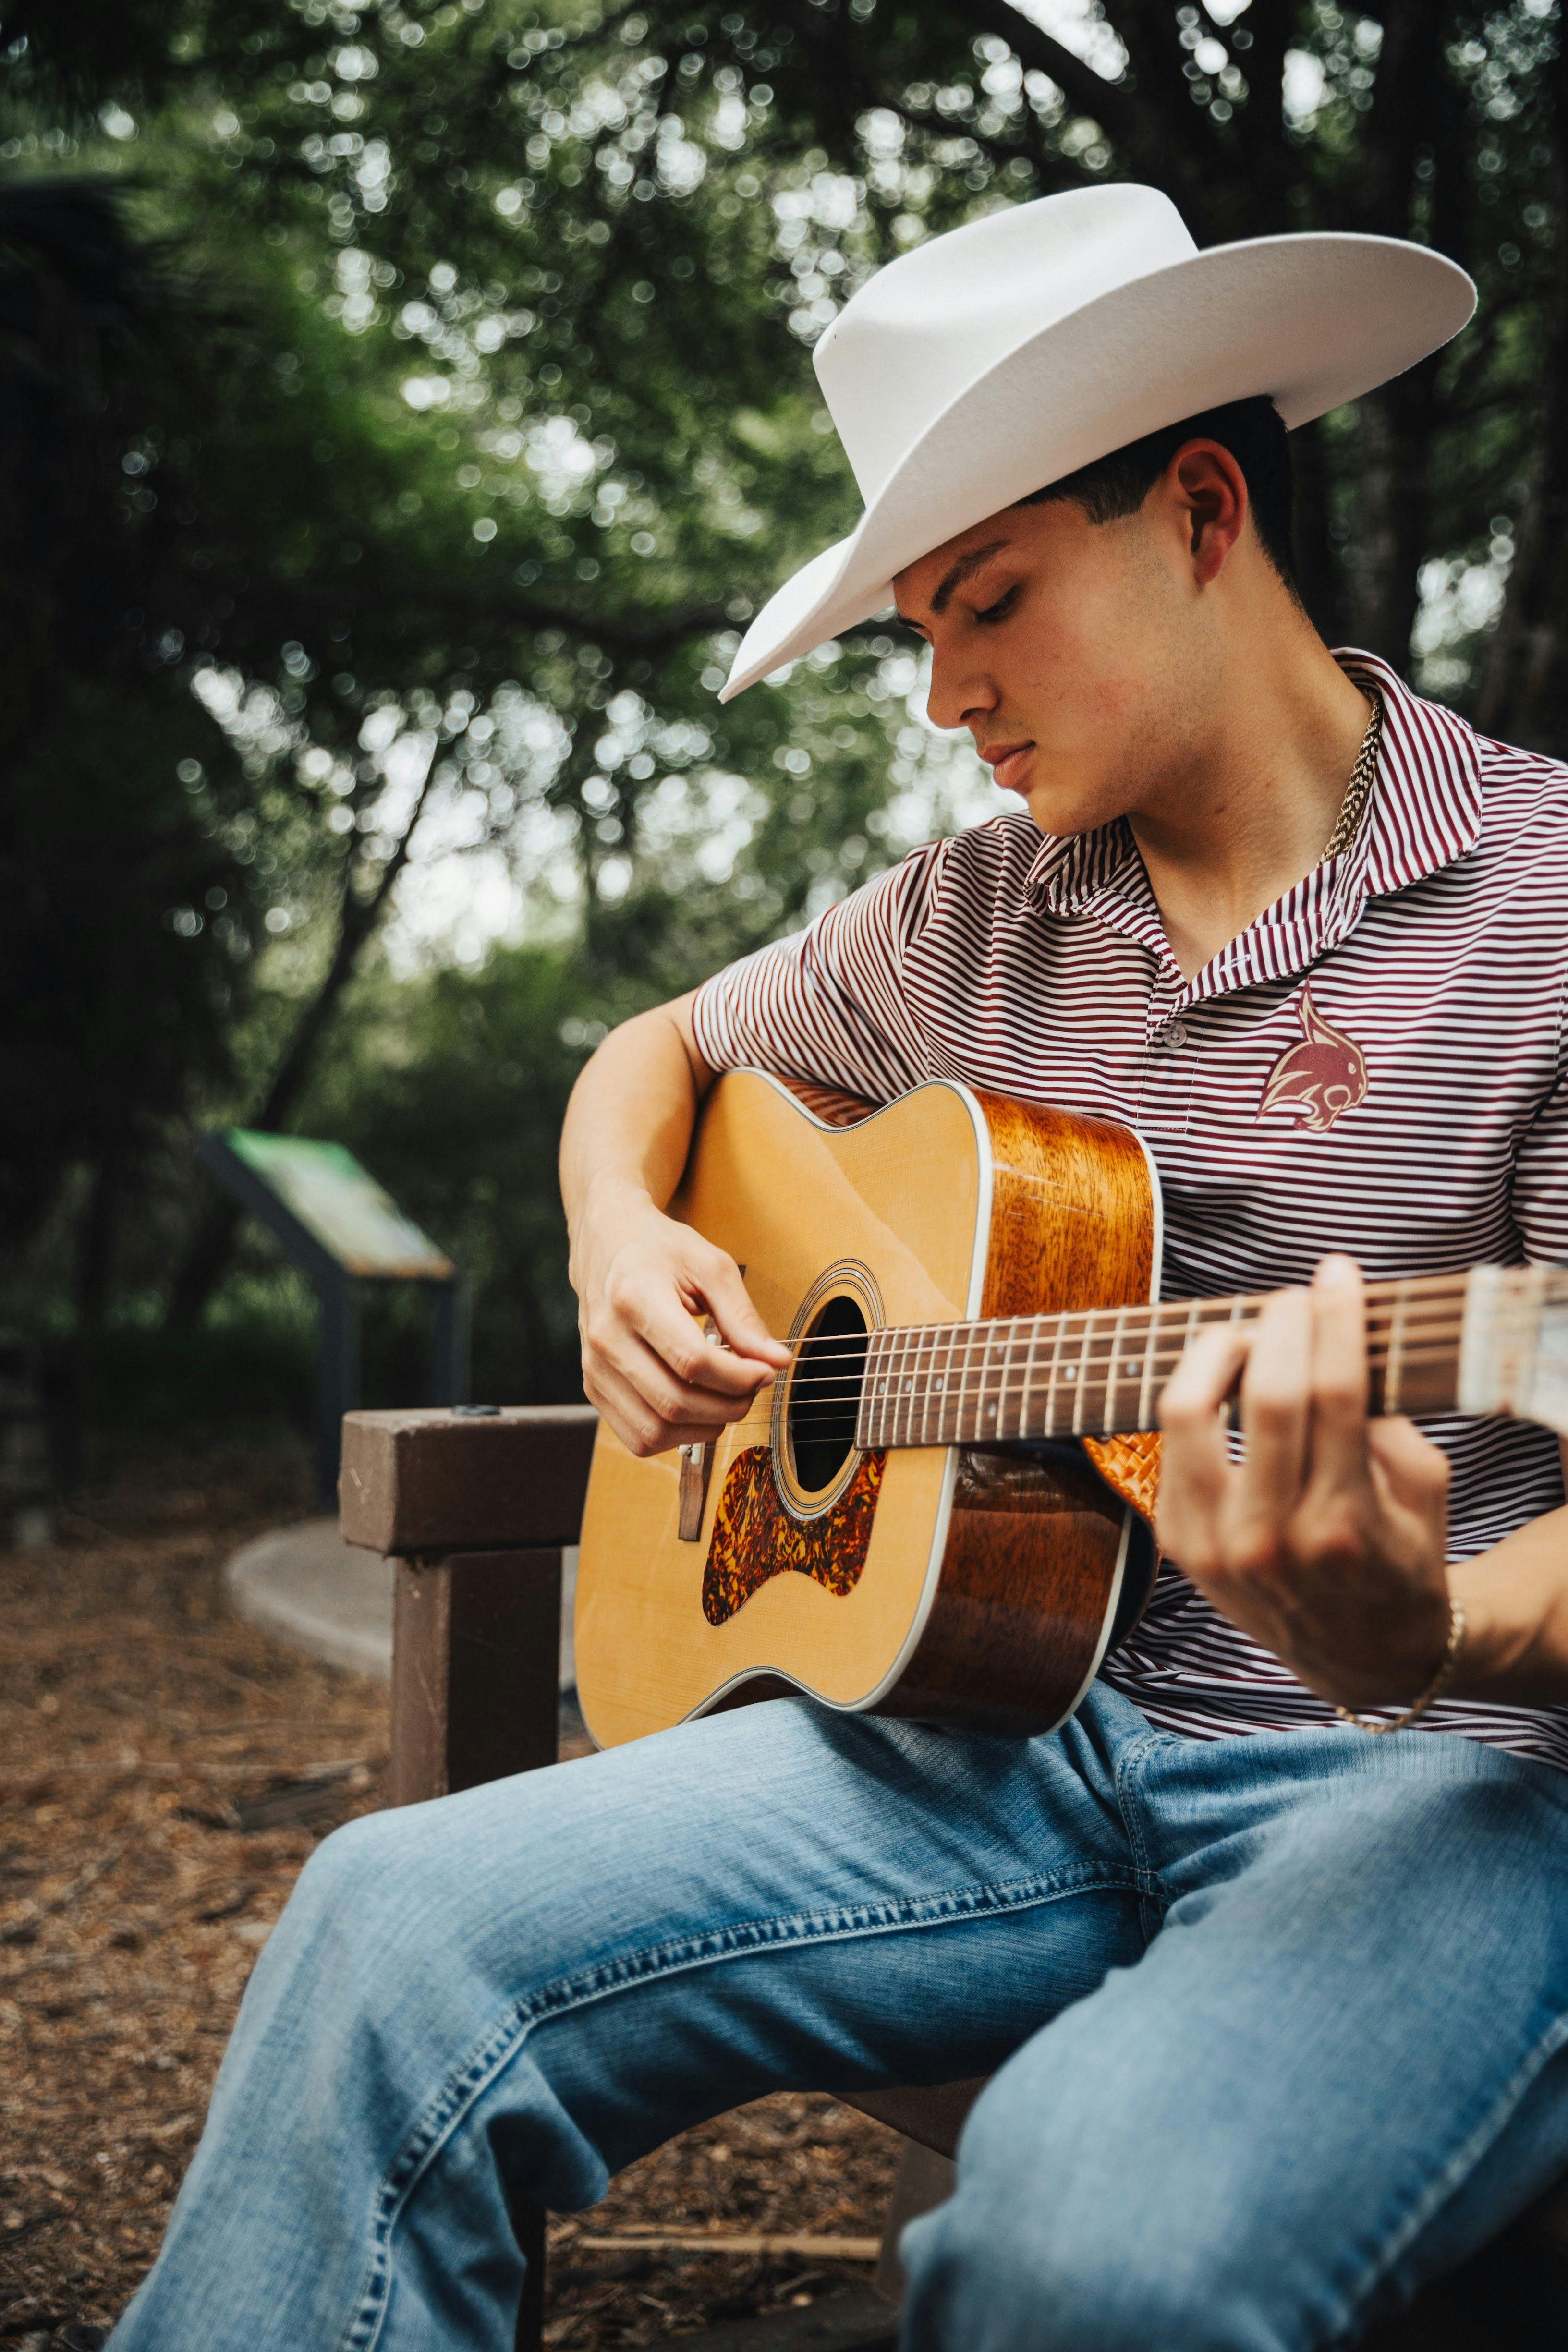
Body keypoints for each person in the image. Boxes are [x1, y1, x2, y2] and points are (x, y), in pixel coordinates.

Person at [113, 185, 1568, 2352]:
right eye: (916, 629)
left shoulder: (1547, 902)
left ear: (1199, 511)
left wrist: (1420, 1619)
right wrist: (620, 1233)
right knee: (386, 1928)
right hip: (1005, 1737)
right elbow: (657, 1052)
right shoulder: (967, 917)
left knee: (1088, 2260)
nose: (946, 692)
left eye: (990, 601)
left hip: (1439, 1780)